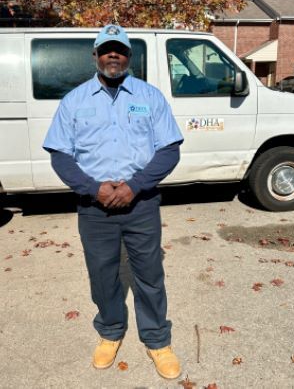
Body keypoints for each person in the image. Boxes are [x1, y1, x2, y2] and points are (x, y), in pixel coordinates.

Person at [43, 24, 183, 380]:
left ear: (129, 56)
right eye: (106, 50)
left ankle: (156, 339)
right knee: (103, 275)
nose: (113, 56)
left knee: (149, 274)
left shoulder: (150, 97)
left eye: (119, 50)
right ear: (95, 56)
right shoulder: (74, 101)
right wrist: (93, 188)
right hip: (94, 209)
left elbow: (169, 150)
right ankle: (110, 331)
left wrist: (135, 186)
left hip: (142, 205)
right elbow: (60, 155)